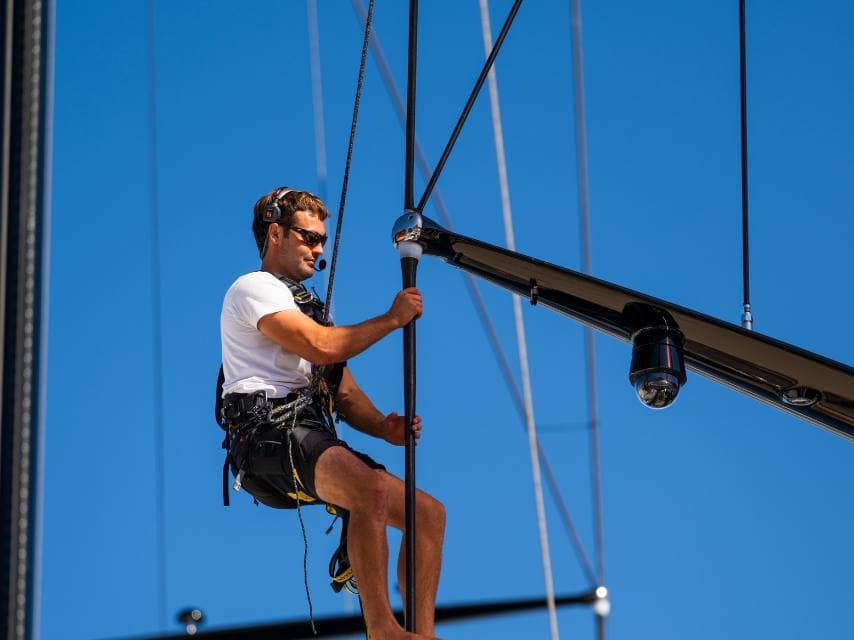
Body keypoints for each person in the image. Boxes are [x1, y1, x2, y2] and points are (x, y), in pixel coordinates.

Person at [219, 186, 445, 640]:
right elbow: (321, 346)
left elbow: (340, 388)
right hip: (267, 437)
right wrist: (392, 319)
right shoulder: (254, 288)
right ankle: (382, 630)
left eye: (322, 239)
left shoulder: (305, 306)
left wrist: (383, 426)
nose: (318, 248)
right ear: (276, 233)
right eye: (309, 237)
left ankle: (422, 634)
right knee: (369, 491)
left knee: (428, 514)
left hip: (307, 435)